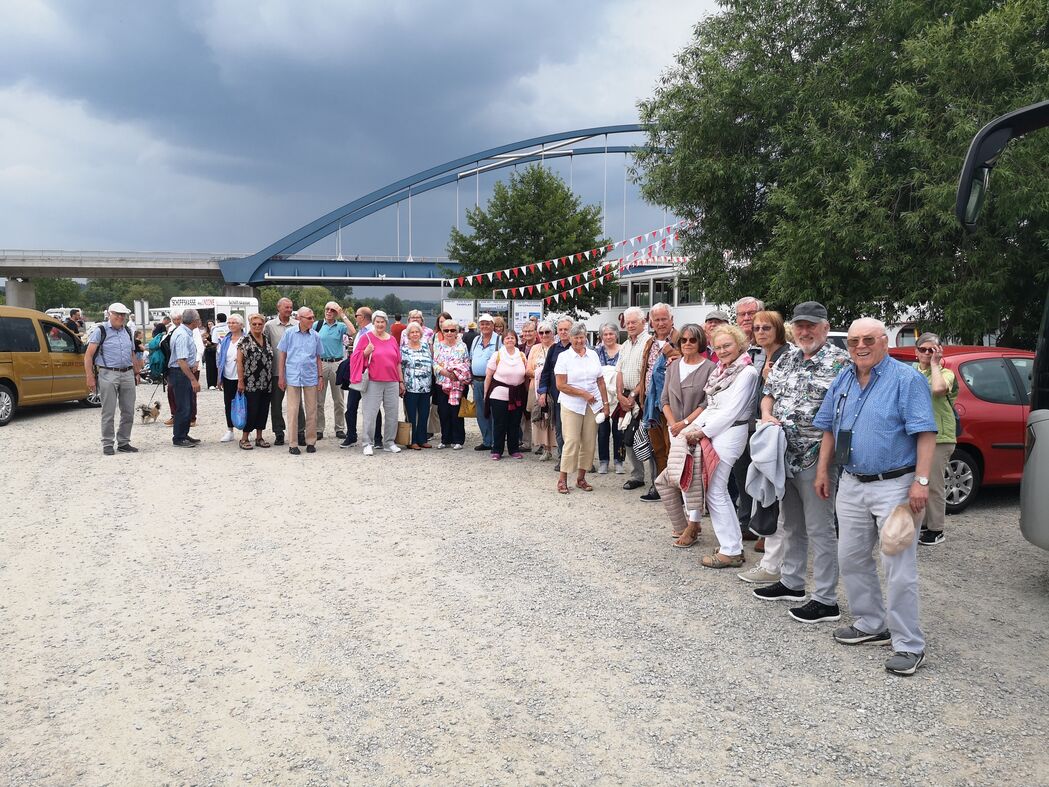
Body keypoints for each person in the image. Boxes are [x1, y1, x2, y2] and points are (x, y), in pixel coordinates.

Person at [813, 318, 937, 676]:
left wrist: (921, 481)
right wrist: (823, 471)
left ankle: (909, 645)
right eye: (853, 341)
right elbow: (828, 429)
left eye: (868, 339)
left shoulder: (907, 379)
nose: (860, 347)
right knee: (850, 556)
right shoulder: (844, 378)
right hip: (851, 481)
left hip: (896, 485)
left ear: (884, 341)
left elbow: (926, 433)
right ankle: (870, 623)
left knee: (898, 566)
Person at [752, 304, 850, 624]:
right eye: (800, 326)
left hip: (816, 457)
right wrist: (767, 415)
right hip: (784, 456)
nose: (805, 332)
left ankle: (825, 599)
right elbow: (769, 393)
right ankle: (792, 583)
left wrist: (825, 467)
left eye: (812, 326)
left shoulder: (840, 363)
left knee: (821, 529)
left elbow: (842, 419)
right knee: (792, 523)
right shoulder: (788, 358)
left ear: (825, 327)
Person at [684, 324, 759, 568]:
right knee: (718, 492)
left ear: (739, 344)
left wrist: (702, 431)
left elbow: (732, 411)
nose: (723, 350)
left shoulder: (747, 373)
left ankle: (731, 549)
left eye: (727, 345)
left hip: (730, 434)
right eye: (718, 347)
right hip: (716, 432)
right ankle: (731, 543)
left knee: (716, 491)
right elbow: (714, 405)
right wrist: (692, 427)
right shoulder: (722, 370)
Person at [655, 323, 714, 546]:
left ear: (700, 342)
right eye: (684, 340)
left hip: (695, 429)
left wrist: (685, 423)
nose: (687, 344)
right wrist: (673, 424)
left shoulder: (709, 368)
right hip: (675, 429)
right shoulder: (673, 366)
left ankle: (693, 524)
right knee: (669, 478)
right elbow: (664, 400)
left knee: (689, 478)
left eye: (692, 340)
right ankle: (682, 525)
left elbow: (706, 402)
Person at [554, 322, 610, 494]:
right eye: (576, 337)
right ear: (570, 339)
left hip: (593, 405)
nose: (579, 340)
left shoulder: (593, 355)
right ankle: (562, 479)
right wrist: (583, 394)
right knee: (571, 441)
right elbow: (560, 385)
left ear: (585, 337)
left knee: (588, 442)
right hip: (572, 404)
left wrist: (606, 404)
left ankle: (581, 478)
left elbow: (600, 381)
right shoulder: (564, 357)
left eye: (581, 337)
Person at [913, 332, 956, 546]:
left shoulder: (946, 373)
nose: (927, 354)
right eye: (923, 350)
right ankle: (922, 524)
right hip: (915, 434)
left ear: (939, 352)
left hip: (940, 436)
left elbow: (938, 389)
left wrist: (936, 365)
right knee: (915, 481)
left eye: (932, 350)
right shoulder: (909, 371)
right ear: (916, 352)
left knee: (933, 484)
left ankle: (936, 529)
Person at [83, 302, 141, 455]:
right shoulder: (100, 330)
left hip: (127, 373)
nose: (120, 317)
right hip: (108, 373)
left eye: (123, 315)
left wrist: (136, 372)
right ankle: (107, 443)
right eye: (117, 314)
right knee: (108, 411)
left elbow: (132, 353)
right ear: (110, 314)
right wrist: (90, 377)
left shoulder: (128, 331)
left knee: (128, 410)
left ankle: (123, 441)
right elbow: (88, 355)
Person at [731, 295, 766, 540]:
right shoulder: (733, 347)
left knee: (764, 476)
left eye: (750, 313)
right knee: (741, 474)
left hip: (763, 423)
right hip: (738, 423)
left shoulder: (770, 344)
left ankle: (765, 528)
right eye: (742, 314)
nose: (746, 318)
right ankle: (745, 522)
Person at [638, 303, 677, 501]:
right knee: (658, 448)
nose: (660, 323)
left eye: (664, 319)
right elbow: (645, 371)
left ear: (672, 320)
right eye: (657, 320)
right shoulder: (650, 342)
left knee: (673, 448)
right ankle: (662, 487)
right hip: (650, 403)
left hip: (671, 404)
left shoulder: (681, 339)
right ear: (651, 322)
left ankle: (675, 489)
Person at [352, 310, 404, 455]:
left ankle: (389, 442)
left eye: (382, 322)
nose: (380, 324)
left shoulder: (392, 339)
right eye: (377, 322)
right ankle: (367, 443)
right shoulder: (366, 338)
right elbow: (355, 358)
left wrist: (401, 381)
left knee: (392, 413)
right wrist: (365, 352)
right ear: (373, 323)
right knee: (370, 413)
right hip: (373, 381)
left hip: (392, 381)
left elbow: (398, 362)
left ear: (386, 323)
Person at [277, 307, 324, 455]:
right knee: (293, 410)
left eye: (313, 317)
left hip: (310, 376)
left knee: (312, 410)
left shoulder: (315, 336)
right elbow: (283, 356)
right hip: (292, 377)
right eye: (309, 318)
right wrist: (281, 376)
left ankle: (311, 441)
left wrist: (320, 377)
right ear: (300, 318)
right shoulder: (289, 333)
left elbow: (318, 358)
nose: (312, 320)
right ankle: (293, 444)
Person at [616, 307, 651, 491]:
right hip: (626, 396)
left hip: (643, 396)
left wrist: (633, 394)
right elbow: (619, 371)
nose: (630, 325)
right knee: (627, 436)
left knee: (647, 437)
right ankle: (637, 475)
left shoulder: (649, 343)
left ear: (643, 322)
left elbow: (648, 374)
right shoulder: (625, 344)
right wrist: (620, 394)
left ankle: (656, 481)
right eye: (627, 322)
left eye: (633, 322)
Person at [264, 297, 305, 446]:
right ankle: (279, 432)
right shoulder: (269, 326)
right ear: (278, 308)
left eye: (291, 307)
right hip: (276, 371)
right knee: (276, 404)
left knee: (297, 404)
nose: (289, 310)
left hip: (295, 371)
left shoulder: (298, 324)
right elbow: (266, 348)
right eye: (286, 307)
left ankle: (300, 432)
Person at [341, 305, 381, 448]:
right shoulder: (360, 333)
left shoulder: (373, 332)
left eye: (357, 315)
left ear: (362, 317)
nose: (355, 317)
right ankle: (351, 436)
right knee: (351, 406)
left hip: (370, 374)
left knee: (373, 408)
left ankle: (377, 438)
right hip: (358, 374)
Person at [484, 328, 527, 459]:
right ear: (503, 341)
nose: (510, 340)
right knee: (499, 423)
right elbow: (488, 376)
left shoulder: (521, 356)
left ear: (516, 340)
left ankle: (514, 449)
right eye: (507, 338)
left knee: (514, 423)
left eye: (512, 337)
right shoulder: (497, 355)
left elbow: (525, 376)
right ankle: (497, 450)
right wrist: (486, 394)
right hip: (499, 395)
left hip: (517, 394)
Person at [537, 316, 574, 465]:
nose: (564, 332)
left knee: (575, 430)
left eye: (566, 329)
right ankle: (563, 459)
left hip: (575, 396)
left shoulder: (577, 347)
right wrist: (543, 392)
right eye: (561, 329)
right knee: (560, 429)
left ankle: (579, 459)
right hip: (557, 396)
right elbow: (546, 372)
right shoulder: (554, 349)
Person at [317, 301, 355, 441]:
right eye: (327, 309)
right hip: (321, 363)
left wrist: (343, 315)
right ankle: (318, 429)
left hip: (336, 363)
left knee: (338, 399)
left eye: (333, 310)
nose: (329, 312)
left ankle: (339, 428)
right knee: (318, 400)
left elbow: (352, 331)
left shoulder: (340, 326)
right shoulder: (318, 325)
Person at [236, 313, 274, 449]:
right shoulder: (244, 341)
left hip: (266, 382)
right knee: (251, 410)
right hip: (250, 382)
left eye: (260, 324)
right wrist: (240, 381)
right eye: (254, 324)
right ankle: (244, 438)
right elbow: (239, 362)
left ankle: (259, 437)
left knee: (263, 410)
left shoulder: (266, 339)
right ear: (250, 325)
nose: (257, 326)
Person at [432, 319, 470, 449]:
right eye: (446, 330)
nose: (449, 332)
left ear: (457, 332)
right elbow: (434, 363)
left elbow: (467, 362)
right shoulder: (438, 345)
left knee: (456, 412)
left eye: (452, 330)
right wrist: (444, 372)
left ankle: (458, 439)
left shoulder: (462, 346)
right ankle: (445, 439)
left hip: (458, 383)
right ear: (442, 331)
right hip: (442, 382)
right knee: (443, 411)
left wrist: (457, 373)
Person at [169, 308, 202, 448]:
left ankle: (184, 433)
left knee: (187, 404)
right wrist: (193, 379)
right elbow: (181, 361)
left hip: (183, 372)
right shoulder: (183, 335)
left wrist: (192, 363)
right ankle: (179, 437)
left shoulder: (184, 332)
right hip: (180, 373)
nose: (200, 321)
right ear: (194, 321)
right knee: (184, 406)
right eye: (199, 319)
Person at [468, 314, 502, 451]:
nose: (484, 326)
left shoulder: (499, 340)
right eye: (482, 324)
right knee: (481, 412)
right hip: (477, 381)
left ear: (493, 325)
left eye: (487, 323)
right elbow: (471, 358)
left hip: (494, 382)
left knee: (494, 411)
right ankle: (487, 440)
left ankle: (496, 441)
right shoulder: (476, 339)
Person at [400, 322, 433, 450]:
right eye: (412, 332)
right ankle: (412, 440)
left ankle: (422, 439)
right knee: (412, 415)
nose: (415, 334)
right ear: (408, 335)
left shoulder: (426, 347)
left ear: (421, 333)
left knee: (424, 414)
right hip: (411, 387)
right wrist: (401, 383)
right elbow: (401, 368)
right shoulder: (404, 349)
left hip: (426, 387)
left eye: (417, 332)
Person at [527, 321, 557, 461]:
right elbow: (528, 369)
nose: (544, 335)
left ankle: (557, 447)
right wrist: (540, 373)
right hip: (536, 387)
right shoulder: (534, 349)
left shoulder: (557, 348)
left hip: (554, 387)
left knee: (554, 417)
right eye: (541, 332)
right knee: (541, 418)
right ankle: (545, 448)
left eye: (547, 332)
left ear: (552, 333)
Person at [595, 323, 623, 474]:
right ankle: (603, 461)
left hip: (619, 393)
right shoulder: (596, 351)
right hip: (602, 394)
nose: (608, 337)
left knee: (619, 429)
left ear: (616, 335)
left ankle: (619, 461)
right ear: (601, 336)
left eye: (611, 334)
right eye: (605, 334)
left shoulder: (624, 350)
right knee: (603, 429)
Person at [216, 315, 246, 443]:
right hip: (228, 376)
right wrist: (219, 377)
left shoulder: (246, 339)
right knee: (228, 403)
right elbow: (220, 358)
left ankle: (246, 429)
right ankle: (230, 430)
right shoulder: (225, 340)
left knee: (245, 403)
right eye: (229, 323)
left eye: (234, 323)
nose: (231, 325)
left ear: (241, 325)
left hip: (242, 376)